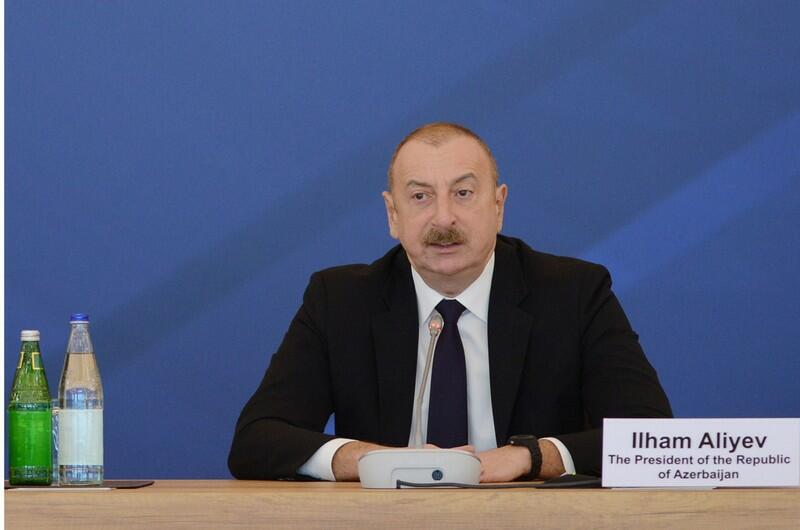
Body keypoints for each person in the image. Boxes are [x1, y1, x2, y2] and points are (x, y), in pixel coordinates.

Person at [228, 122, 672, 482]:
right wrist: (370, 460)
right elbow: (256, 440)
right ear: (393, 214)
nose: (443, 218)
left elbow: (649, 438)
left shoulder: (573, 293)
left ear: (498, 205)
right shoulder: (340, 301)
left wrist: (531, 457)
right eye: (420, 197)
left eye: (463, 193)